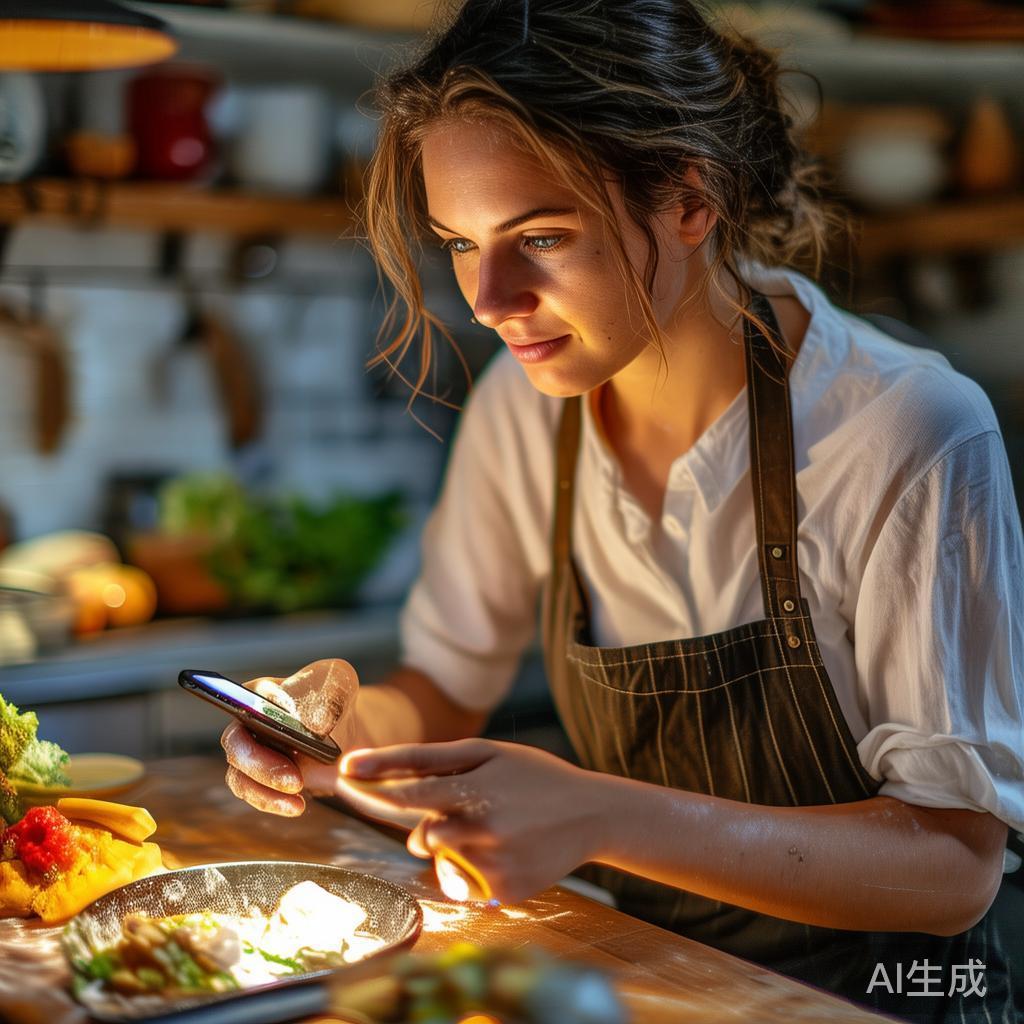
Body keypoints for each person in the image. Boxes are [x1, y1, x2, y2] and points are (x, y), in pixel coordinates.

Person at [220, 2, 1024, 1020]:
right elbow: (444, 692)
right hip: (656, 985)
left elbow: (952, 869)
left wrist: (595, 812)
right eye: (461, 244)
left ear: (689, 201)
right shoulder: (526, 407)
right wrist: (332, 726)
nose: (487, 298)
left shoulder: (903, 430)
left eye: (541, 236)